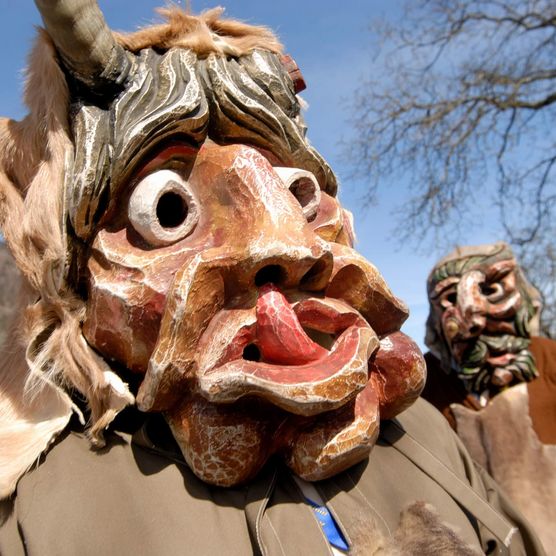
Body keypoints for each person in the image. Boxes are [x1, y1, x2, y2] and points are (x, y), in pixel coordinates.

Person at [0, 3, 544, 554]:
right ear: (73, 269)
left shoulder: (424, 437)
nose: (290, 246)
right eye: (168, 210)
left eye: (298, 194)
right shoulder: (47, 514)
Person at [422, 242, 556, 552]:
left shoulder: (549, 362)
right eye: (451, 299)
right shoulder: (427, 386)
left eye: (493, 289)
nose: (474, 319)